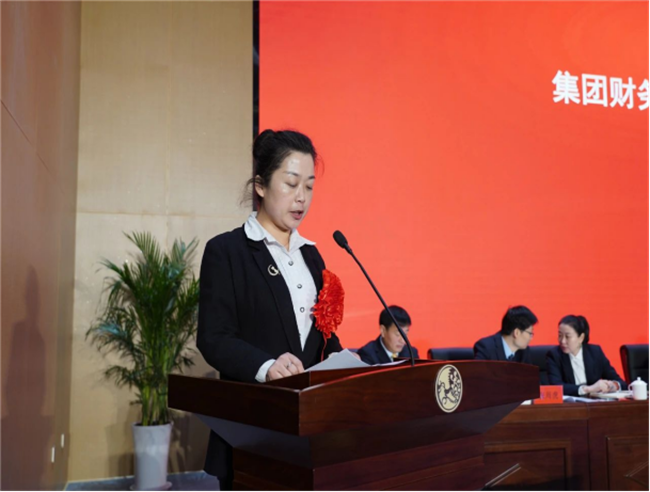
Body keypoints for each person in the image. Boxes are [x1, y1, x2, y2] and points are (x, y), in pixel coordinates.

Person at [196, 129, 344, 491]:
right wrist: (266, 366)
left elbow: (320, 337)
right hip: (252, 431)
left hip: (309, 434)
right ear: (261, 185)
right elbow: (214, 337)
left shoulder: (312, 256)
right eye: (291, 184)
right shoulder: (227, 251)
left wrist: (347, 366)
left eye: (309, 186)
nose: (301, 197)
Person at [546, 315, 626, 396]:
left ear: (581, 338)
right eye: (560, 335)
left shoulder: (595, 352)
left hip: (596, 402)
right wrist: (588, 389)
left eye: (568, 336)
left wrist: (612, 386)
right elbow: (556, 387)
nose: (562, 341)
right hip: (570, 403)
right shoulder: (554, 355)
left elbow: (620, 382)